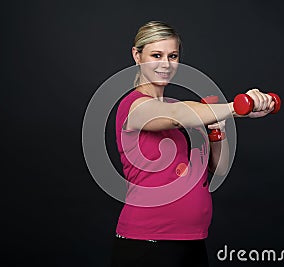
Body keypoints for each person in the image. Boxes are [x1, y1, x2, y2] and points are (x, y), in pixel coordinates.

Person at [110, 21, 275, 267]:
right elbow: (176, 114)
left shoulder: (193, 115)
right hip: (147, 244)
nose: (166, 64)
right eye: (156, 55)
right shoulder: (134, 107)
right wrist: (235, 109)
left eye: (173, 56)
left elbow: (218, 168)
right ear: (137, 55)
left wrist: (218, 125)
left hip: (194, 242)